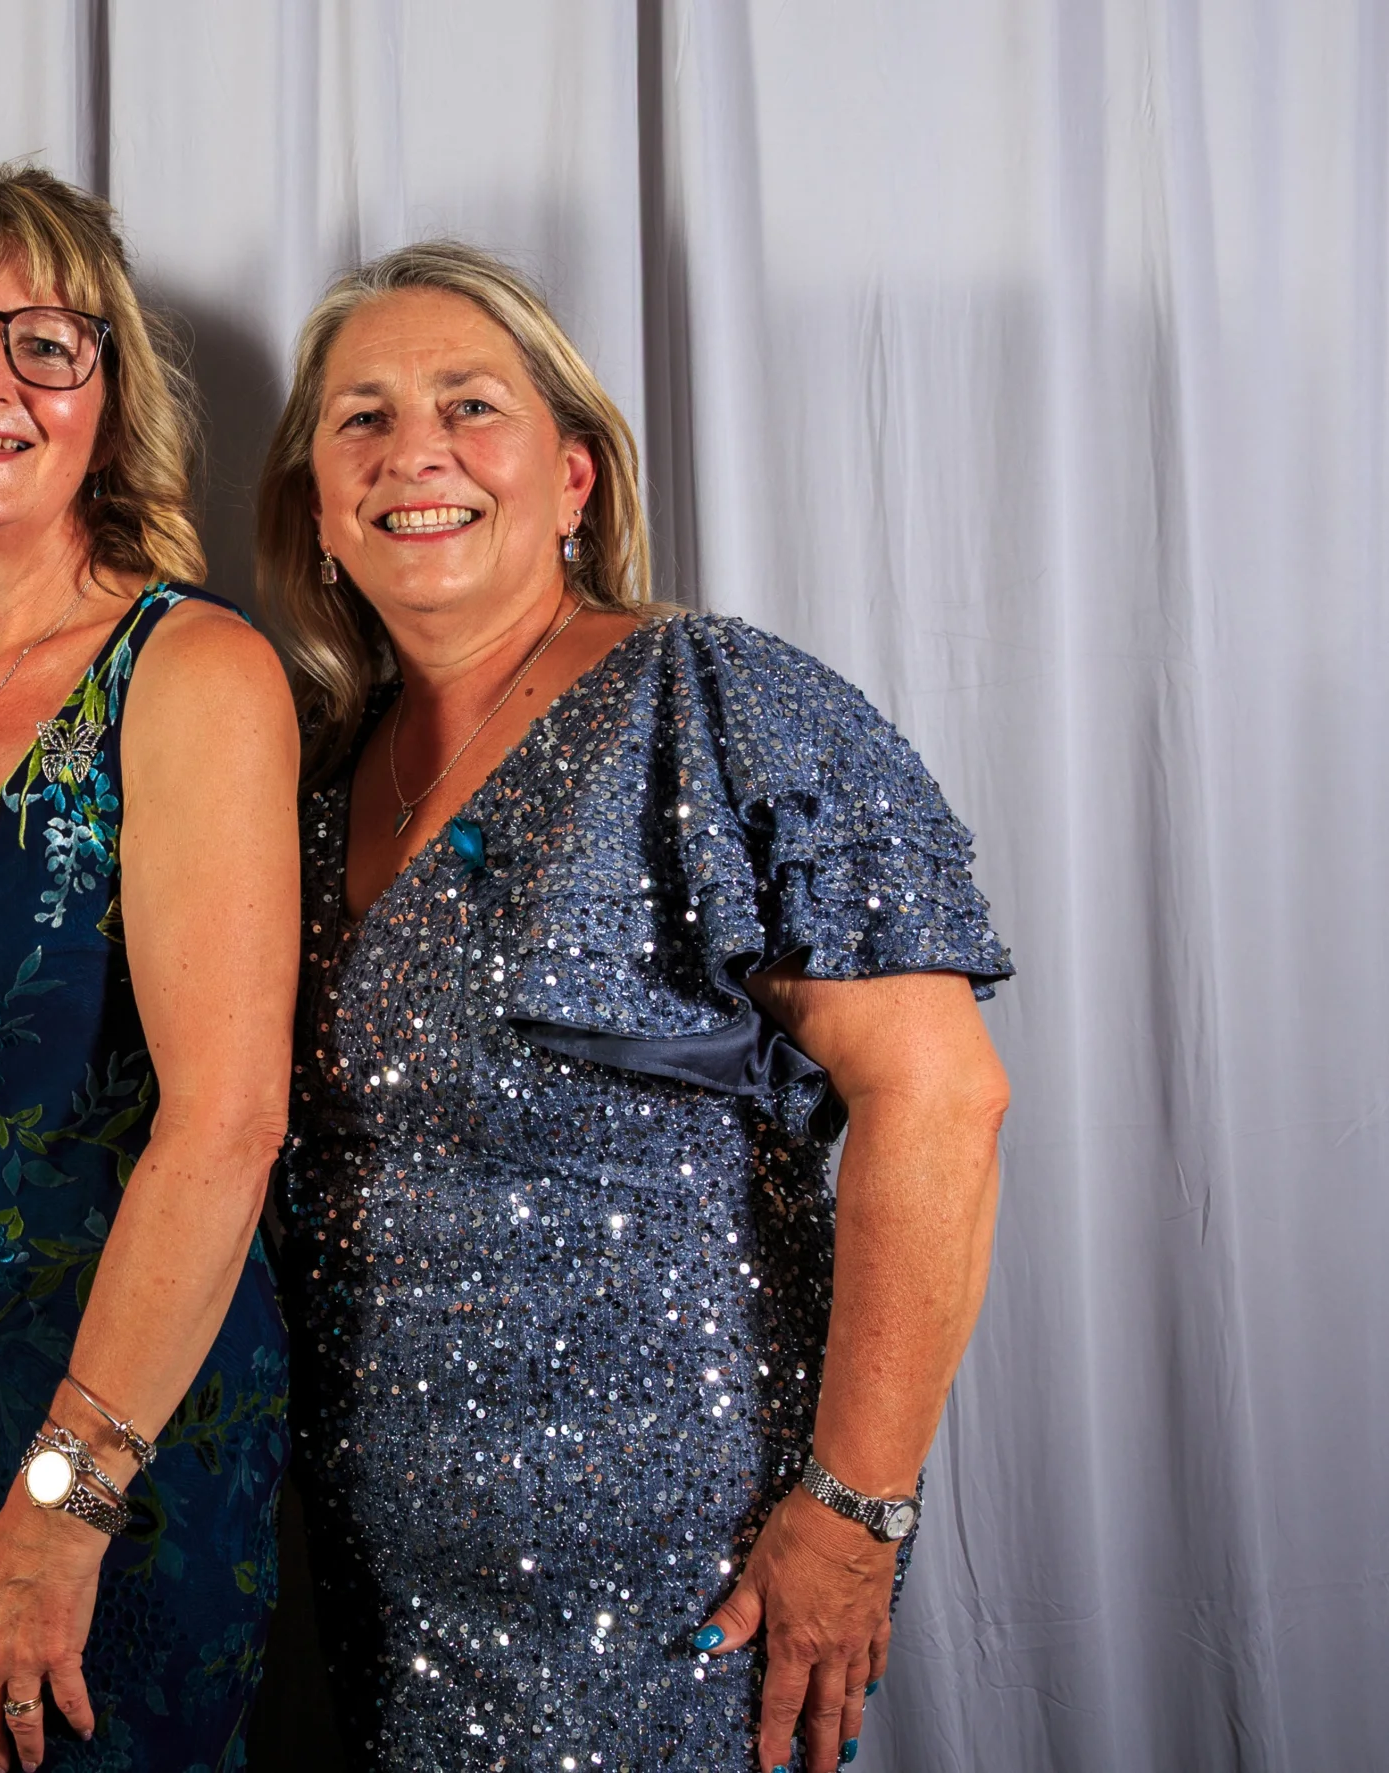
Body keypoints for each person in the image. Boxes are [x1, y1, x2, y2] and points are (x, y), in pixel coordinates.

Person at [257, 240, 1012, 1773]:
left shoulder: (711, 700)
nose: (418, 453)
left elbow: (941, 1100)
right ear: (320, 509)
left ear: (575, 478)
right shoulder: (311, 781)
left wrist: (855, 1514)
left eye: (472, 406)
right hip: (376, 1574)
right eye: (363, 418)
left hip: (683, 1582)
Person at [0, 165, 299, 1772]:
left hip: (112, 1442)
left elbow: (226, 1125)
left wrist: (62, 1513)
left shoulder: (194, 671)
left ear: (111, 397)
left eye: (44, 344)